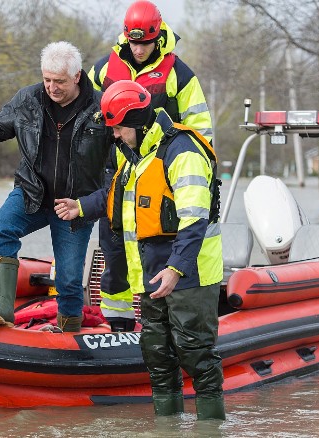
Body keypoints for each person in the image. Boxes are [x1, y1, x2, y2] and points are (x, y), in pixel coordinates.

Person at [53, 81, 225, 420]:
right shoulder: (136, 154)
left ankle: (212, 426)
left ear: (140, 123)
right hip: (150, 273)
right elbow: (117, 197)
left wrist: (176, 268)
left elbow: (195, 218)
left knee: (195, 354)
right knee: (157, 355)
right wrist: (81, 207)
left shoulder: (182, 151)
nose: (114, 135)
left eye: (119, 128)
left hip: (189, 274)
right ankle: (168, 424)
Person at [0, 41, 110, 333]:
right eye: (47, 80)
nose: (51, 88)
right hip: (32, 193)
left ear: (77, 77)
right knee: (1, 224)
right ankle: (3, 306)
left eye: (59, 82)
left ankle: (70, 334)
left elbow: (127, 152)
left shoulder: (101, 108)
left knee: (68, 280)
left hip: (75, 205)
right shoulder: (28, 100)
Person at [88, 0, 214, 331]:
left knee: (156, 250)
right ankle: (118, 325)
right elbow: (85, 114)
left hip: (161, 174)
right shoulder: (104, 70)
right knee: (113, 252)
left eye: (145, 42)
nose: (139, 49)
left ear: (157, 37)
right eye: (134, 42)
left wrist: (190, 173)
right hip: (117, 174)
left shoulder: (178, 74)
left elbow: (201, 129)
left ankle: (161, 324)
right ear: (125, 37)